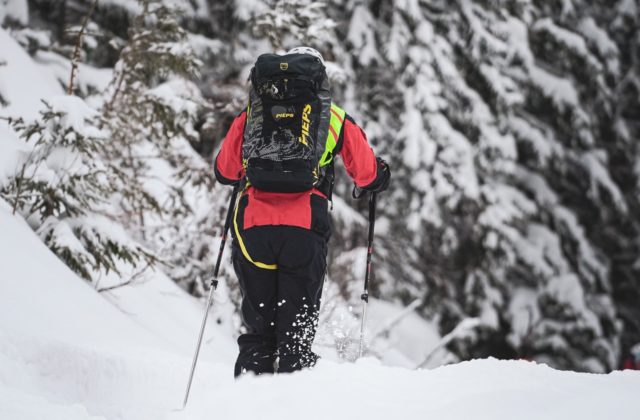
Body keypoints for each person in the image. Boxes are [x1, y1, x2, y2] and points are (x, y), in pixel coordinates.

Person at [214, 46, 390, 376]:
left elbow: (225, 171)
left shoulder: (253, 114)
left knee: (258, 332)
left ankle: (248, 397)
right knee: (294, 337)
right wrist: (381, 173)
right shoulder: (332, 116)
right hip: (304, 228)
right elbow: (366, 174)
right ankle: (294, 400)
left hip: (252, 228)